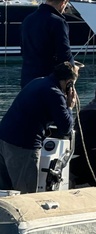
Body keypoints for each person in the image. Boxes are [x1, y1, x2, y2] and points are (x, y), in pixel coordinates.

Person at [0, 61, 78, 194]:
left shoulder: (38, 81)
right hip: (22, 146)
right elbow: (66, 127)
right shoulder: (55, 94)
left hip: (3, 138)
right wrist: (69, 106)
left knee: (4, 191)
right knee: (26, 193)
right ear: (69, 82)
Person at [20, 0, 74, 88]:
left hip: (27, 81)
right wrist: (72, 70)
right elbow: (65, 55)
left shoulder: (27, 20)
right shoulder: (58, 22)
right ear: (63, 3)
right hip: (48, 82)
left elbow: (23, 50)